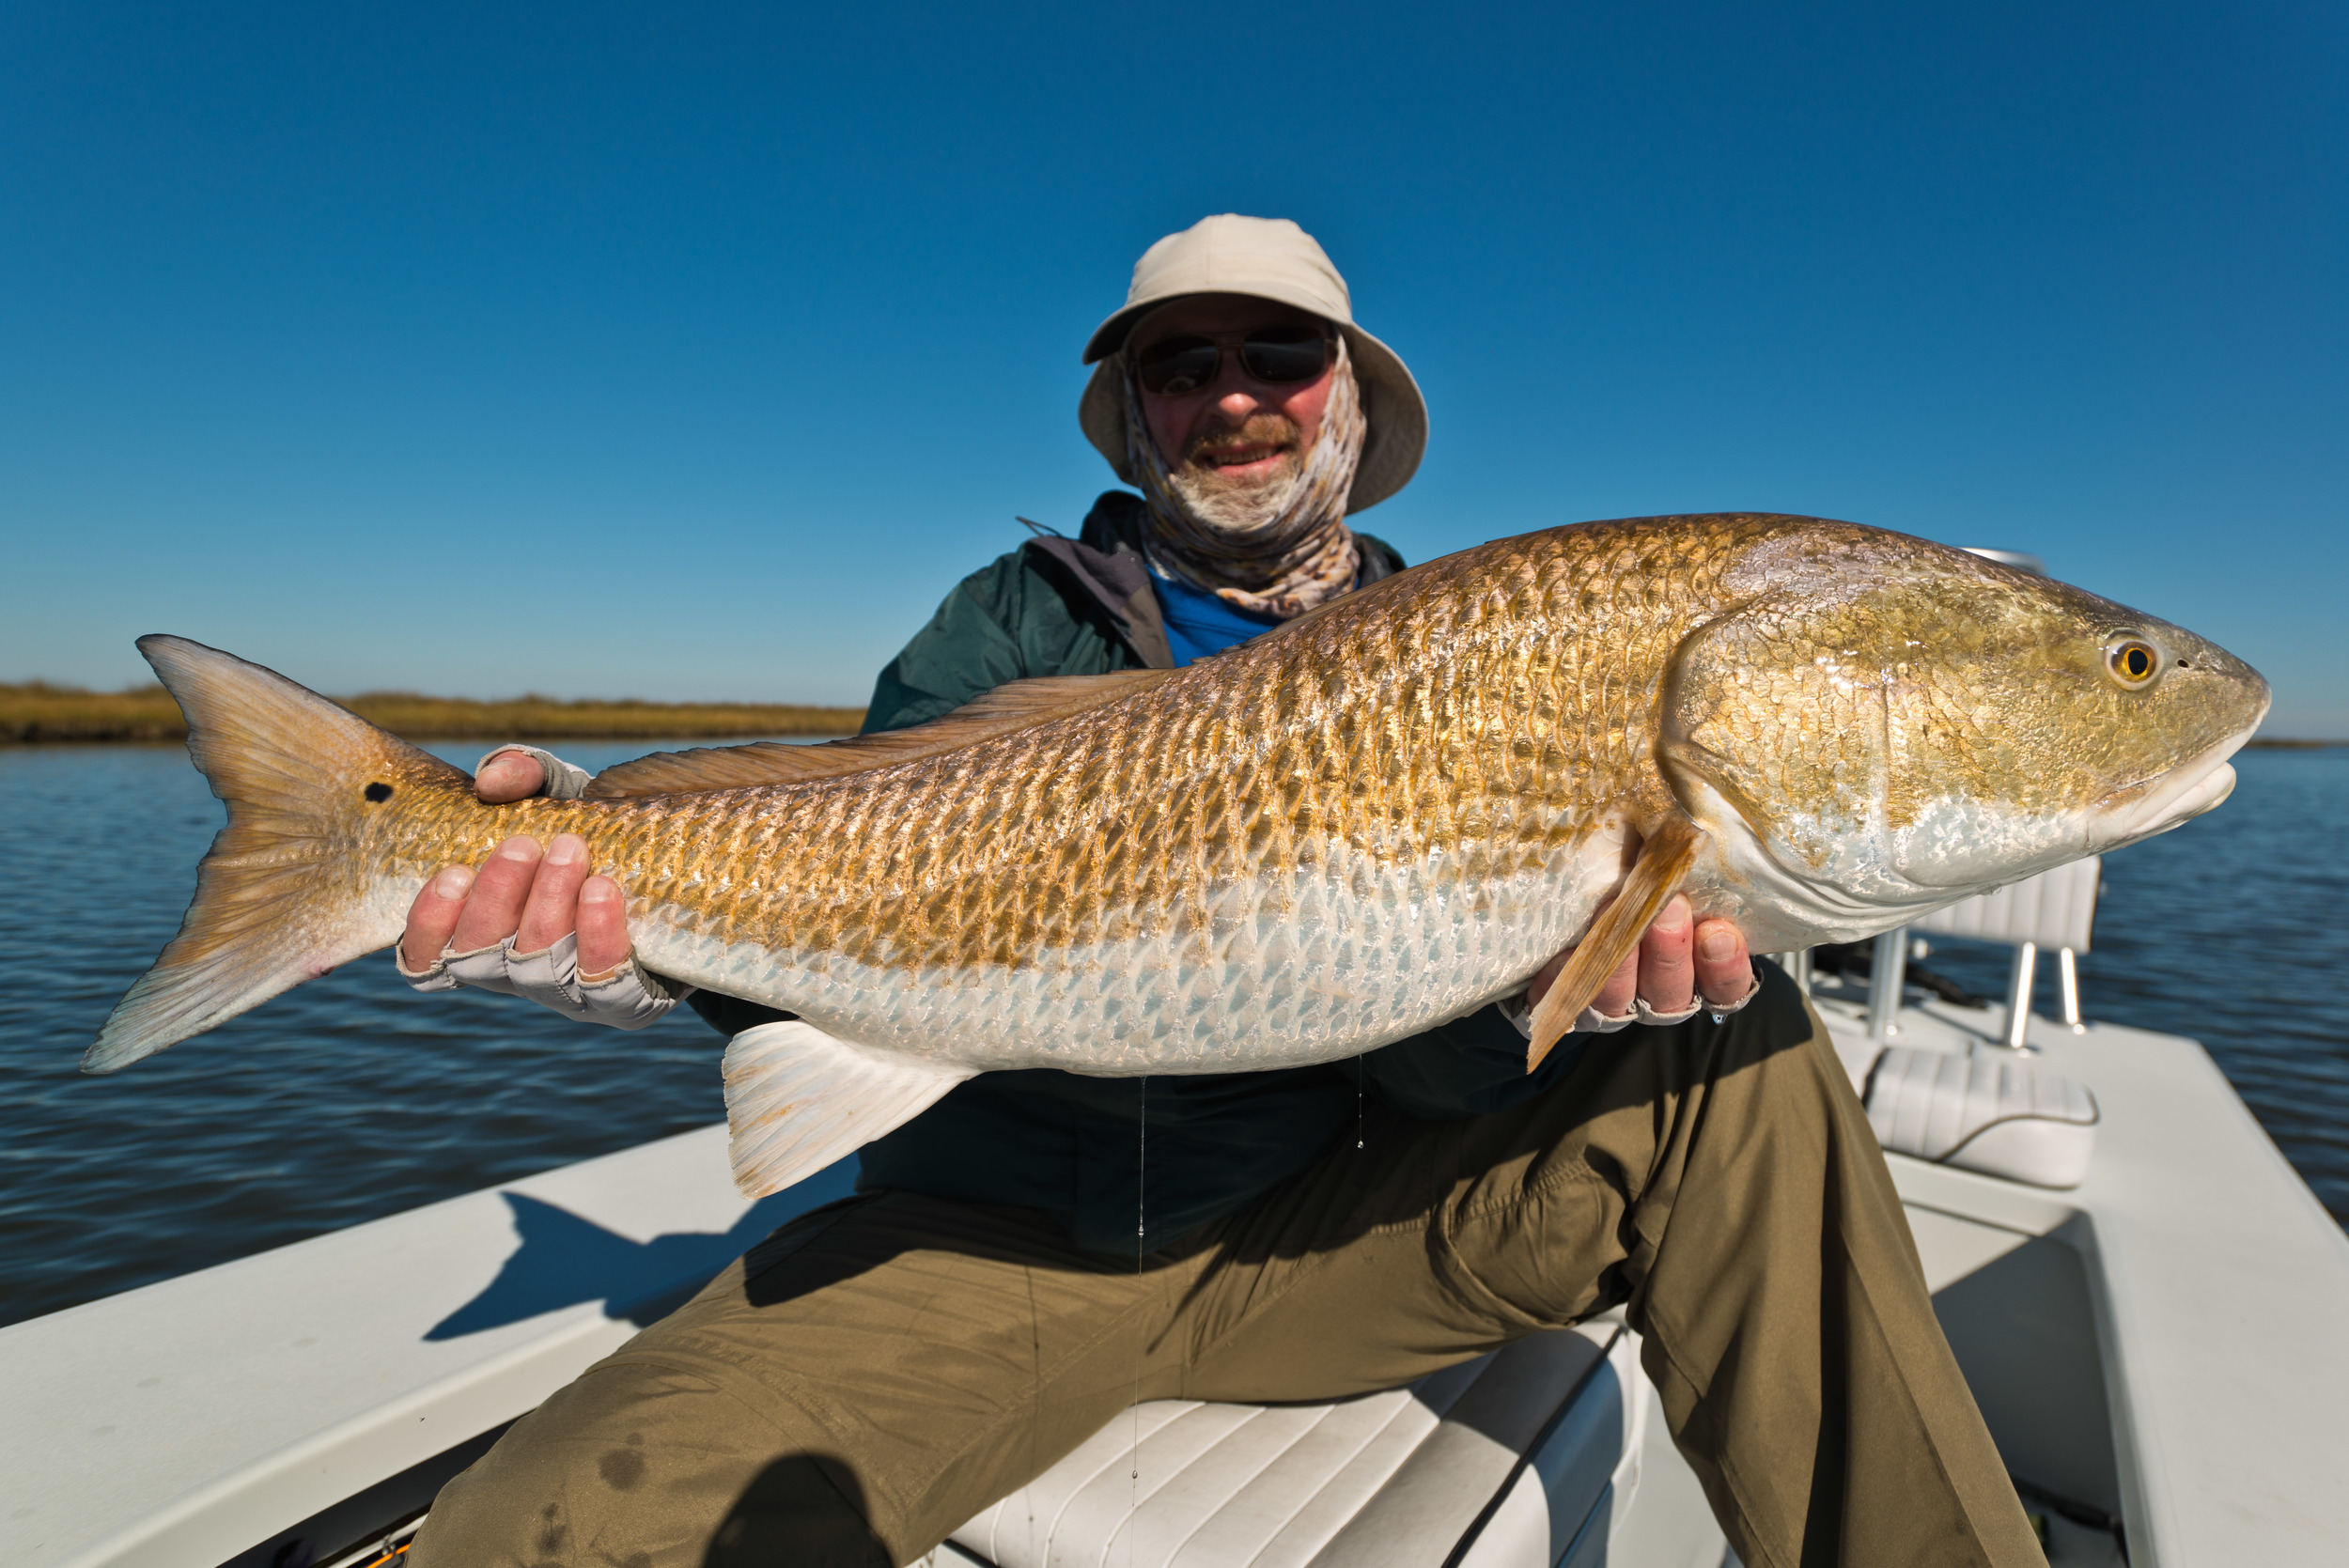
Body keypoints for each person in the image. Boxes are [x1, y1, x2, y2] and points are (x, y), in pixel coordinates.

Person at [401, 216, 2045, 1567]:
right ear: (1134, 416)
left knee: (1731, 1054)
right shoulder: (999, 634)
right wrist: (596, 923)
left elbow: (1426, 1062)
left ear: (1347, 404)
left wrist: (1529, 988)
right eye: (1182, 367)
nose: (1234, 397)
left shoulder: (1475, 641)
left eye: (1280, 356)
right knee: (538, 1535)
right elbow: (842, 905)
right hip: (990, 1247)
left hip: (1328, 1221)